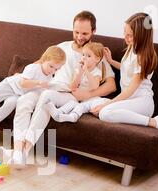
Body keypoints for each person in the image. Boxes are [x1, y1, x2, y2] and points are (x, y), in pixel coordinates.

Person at [7, 11, 117, 165]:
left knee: (47, 100)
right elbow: (39, 63)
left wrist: (86, 95)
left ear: (93, 31)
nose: (79, 37)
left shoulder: (95, 54)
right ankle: (18, 151)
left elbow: (111, 85)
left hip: (67, 95)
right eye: (76, 32)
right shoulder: (61, 47)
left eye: (85, 33)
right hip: (48, 87)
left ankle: (25, 150)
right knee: (24, 101)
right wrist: (21, 75)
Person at [91, 12, 158, 136]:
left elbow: (130, 91)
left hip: (141, 103)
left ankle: (154, 121)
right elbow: (127, 70)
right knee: (95, 102)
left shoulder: (142, 57)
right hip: (129, 100)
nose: (125, 38)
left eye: (130, 35)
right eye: (125, 33)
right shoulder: (132, 47)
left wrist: (107, 103)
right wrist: (111, 61)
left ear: (142, 36)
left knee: (105, 113)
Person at [0, 46, 66, 141]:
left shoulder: (49, 77)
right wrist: (39, 83)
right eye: (51, 66)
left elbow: (41, 91)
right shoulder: (33, 68)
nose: (53, 71)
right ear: (44, 60)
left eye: (57, 69)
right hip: (9, 86)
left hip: (18, 94)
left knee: (9, 105)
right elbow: (23, 83)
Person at [48, 42, 107, 122]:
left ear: (97, 59)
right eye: (83, 55)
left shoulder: (97, 72)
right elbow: (72, 87)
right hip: (80, 100)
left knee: (94, 105)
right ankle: (58, 113)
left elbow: (94, 86)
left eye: (88, 56)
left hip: (92, 99)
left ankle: (72, 116)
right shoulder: (78, 70)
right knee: (73, 103)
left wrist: (86, 70)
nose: (84, 58)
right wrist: (79, 73)